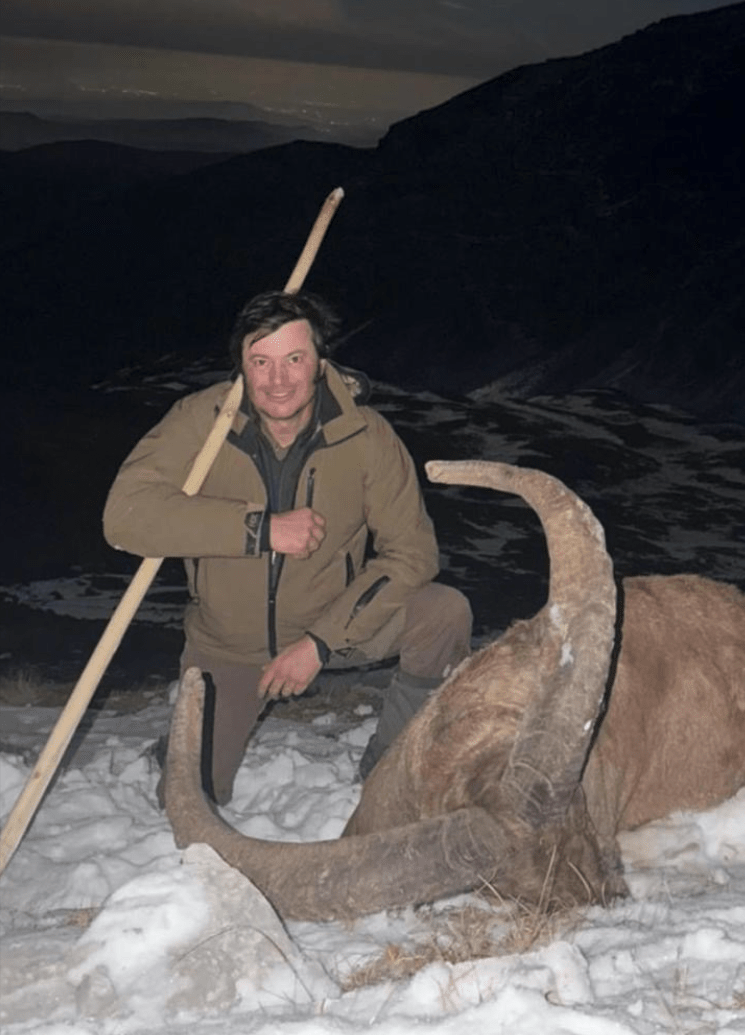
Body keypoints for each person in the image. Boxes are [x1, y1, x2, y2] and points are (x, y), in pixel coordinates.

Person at [103, 289, 472, 803]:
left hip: (332, 626)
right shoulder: (201, 420)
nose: (278, 381)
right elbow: (124, 516)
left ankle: (395, 762)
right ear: (241, 366)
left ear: (321, 362)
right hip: (228, 647)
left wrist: (320, 641)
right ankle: (185, 743)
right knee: (190, 801)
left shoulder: (366, 436)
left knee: (444, 612)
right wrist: (260, 530)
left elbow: (413, 553)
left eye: (294, 359)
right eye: (261, 361)